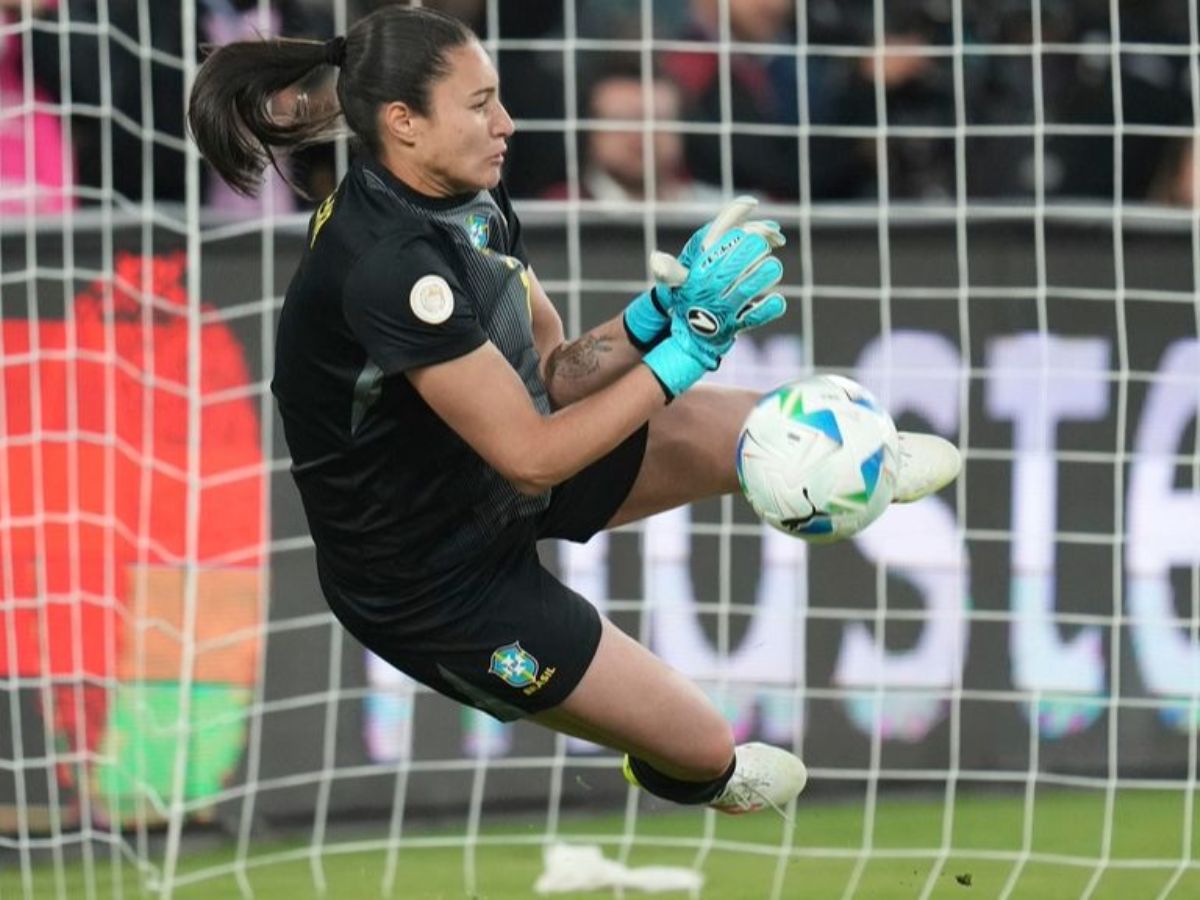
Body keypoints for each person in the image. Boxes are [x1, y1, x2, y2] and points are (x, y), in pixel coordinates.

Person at [187, 5, 959, 814]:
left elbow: (554, 374)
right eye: (479, 104)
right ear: (404, 123)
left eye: (498, 96)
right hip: (432, 586)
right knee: (705, 748)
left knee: (767, 427)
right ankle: (686, 765)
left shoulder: (469, 198)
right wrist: (684, 356)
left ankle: (866, 455)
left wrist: (659, 314)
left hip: (491, 479)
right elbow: (534, 454)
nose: (506, 123)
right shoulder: (387, 267)